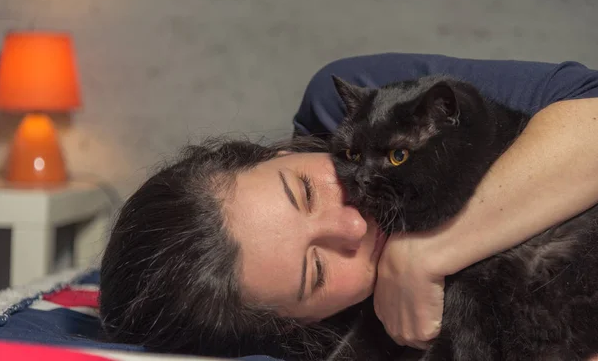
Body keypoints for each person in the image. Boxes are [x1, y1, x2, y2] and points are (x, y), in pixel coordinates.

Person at [99, 53, 598, 360]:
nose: (354, 224)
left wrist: (426, 255)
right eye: (317, 270)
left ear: (277, 154)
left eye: (306, 192)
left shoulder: (353, 103)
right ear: (301, 325)